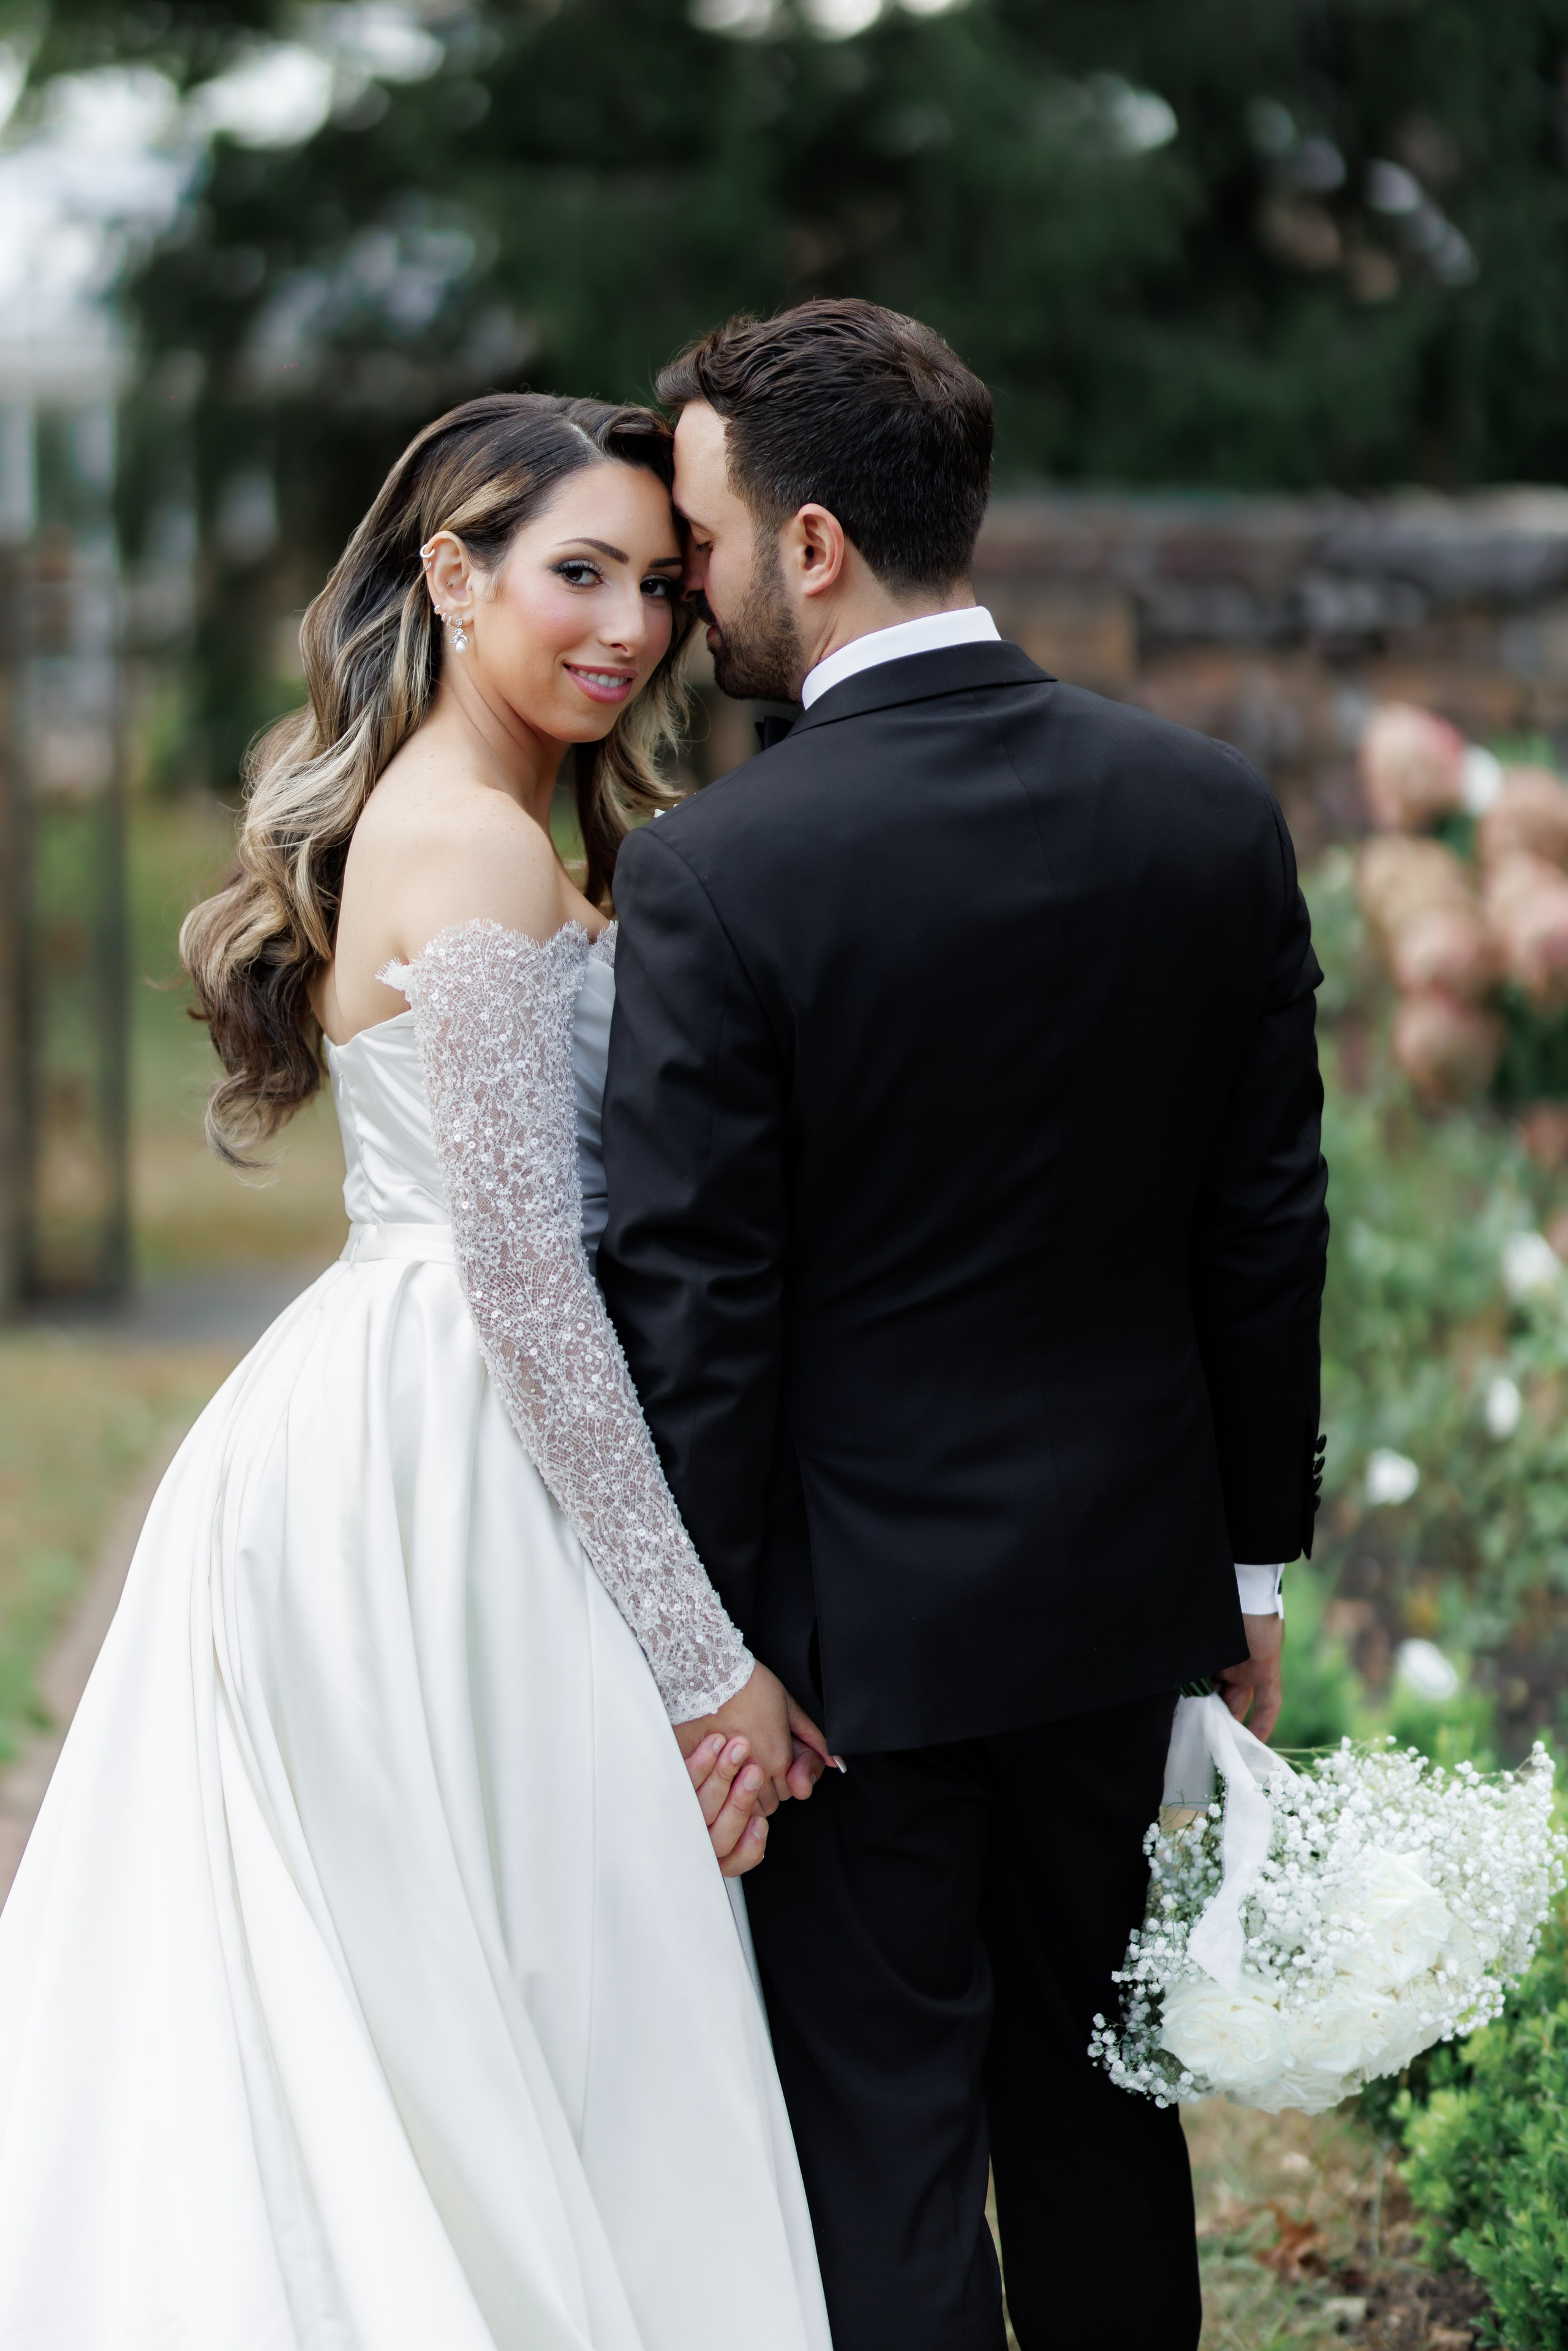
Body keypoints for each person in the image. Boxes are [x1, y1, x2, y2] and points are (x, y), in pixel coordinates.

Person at [0, 392, 833, 2351]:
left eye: (659, 582)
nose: (628, 628)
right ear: (452, 576)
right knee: (488, 1980)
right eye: (578, 575)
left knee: (468, 1993)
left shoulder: (504, 816)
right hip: (451, 1452)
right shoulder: (464, 841)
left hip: (431, 1402)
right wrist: (700, 1659)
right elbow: (526, 1283)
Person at [598, 300, 1330, 2351]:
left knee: (887, 2144)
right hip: (1118, 1597)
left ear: (813, 545)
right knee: (1101, 2119)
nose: (688, 592)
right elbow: (1265, 1224)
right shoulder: (1208, 810)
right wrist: (1249, 1569)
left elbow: (701, 1301)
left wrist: (718, 1653)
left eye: (703, 544)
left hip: (851, 1650)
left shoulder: (718, 875)